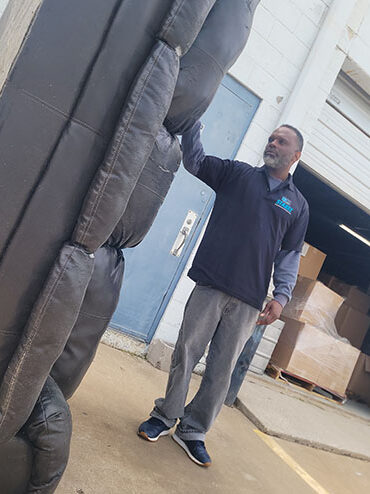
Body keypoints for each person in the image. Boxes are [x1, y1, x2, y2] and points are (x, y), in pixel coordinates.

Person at [138, 120, 309, 467]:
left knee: (222, 369)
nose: (273, 143)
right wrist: (192, 130)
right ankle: (165, 415)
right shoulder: (237, 175)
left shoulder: (297, 205)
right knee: (187, 352)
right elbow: (195, 162)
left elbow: (289, 256)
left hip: (249, 298)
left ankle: (194, 431)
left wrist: (281, 297)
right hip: (212, 282)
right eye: (272, 137)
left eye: (282, 141)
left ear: (296, 155)